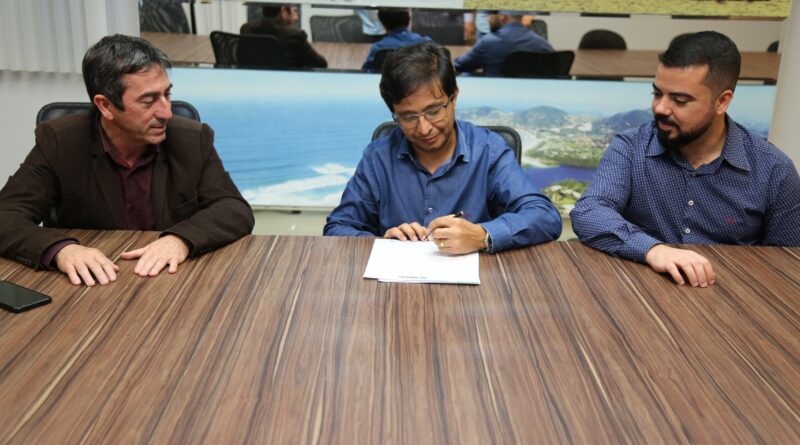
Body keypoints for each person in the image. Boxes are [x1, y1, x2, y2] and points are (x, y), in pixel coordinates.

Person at [0, 34, 255, 286]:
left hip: (172, 281)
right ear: (105, 106)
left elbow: (233, 209)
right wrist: (61, 250)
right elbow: (6, 215)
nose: (166, 112)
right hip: (91, 286)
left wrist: (180, 239)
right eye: (149, 100)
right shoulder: (60, 142)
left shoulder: (192, 140)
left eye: (167, 94)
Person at [570, 31, 800, 287]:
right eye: (657, 94)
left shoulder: (773, 170)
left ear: (722, 102)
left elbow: (788, 262)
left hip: (732, 302)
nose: (660, 108)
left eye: (679, 100)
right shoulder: (631, 147)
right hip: (639, 295)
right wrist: (653, 249)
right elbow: (590, 212)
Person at [324, 41, 562, 254]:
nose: (425, 128)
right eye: (408, 117)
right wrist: (382, 240)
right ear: (394, 113)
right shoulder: (378, 156)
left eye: (433, 111)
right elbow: (338, 227)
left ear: (454, 97)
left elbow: (544, 216)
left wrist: (483, 235)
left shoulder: (488, 150)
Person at [453, 10, 553, 77]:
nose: (488, 18)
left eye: (491, 14)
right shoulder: (543, 45)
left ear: (502, 16)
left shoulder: (489, 42)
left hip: (493, 99)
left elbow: (459, 65)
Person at [240, 4, 327, 69]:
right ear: (284, 11)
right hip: (287, 86)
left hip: (253, 85)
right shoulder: (294, 35)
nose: (296, 17)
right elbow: (321, 64)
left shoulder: (246, 29)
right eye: (294, 11)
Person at [362, 8, 430, 73]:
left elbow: (367, 71)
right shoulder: (426, 42)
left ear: (383, 24)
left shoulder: (379, 47)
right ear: (408, 20)